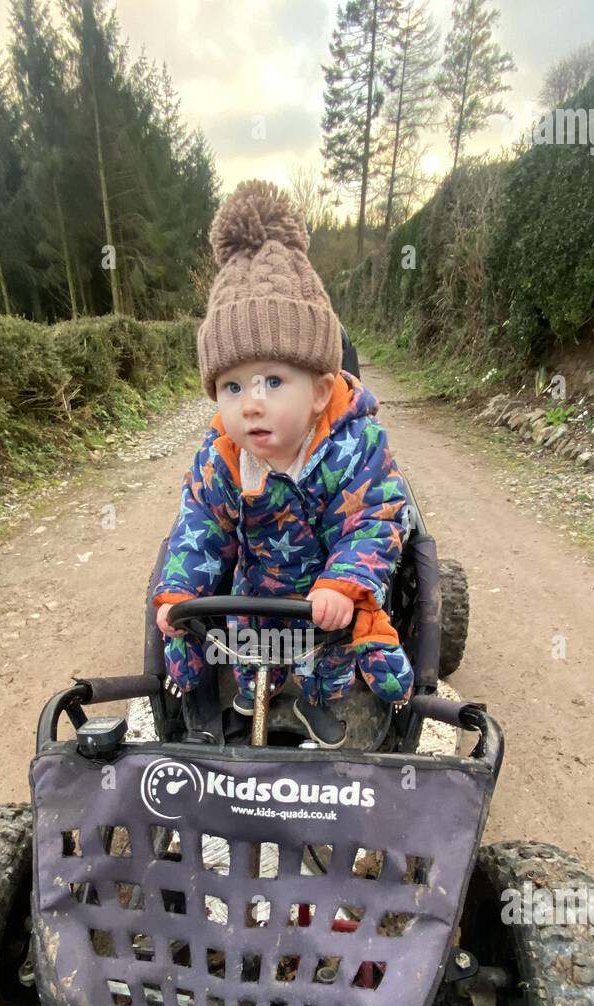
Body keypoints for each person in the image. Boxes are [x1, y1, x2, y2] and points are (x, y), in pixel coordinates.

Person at [151, 180, 413, 748]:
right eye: (232, 385)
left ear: (320, 391)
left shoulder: (353, 446)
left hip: (330, 598)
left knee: (332, 653)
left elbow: (376, 517)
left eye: (273, 381)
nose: (251, 402)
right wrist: (179, 594)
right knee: (246, 647)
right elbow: (199, 527)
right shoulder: (223, 456)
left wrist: (345, 583)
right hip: (256, 599)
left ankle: (321, 704)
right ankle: (253, 695)